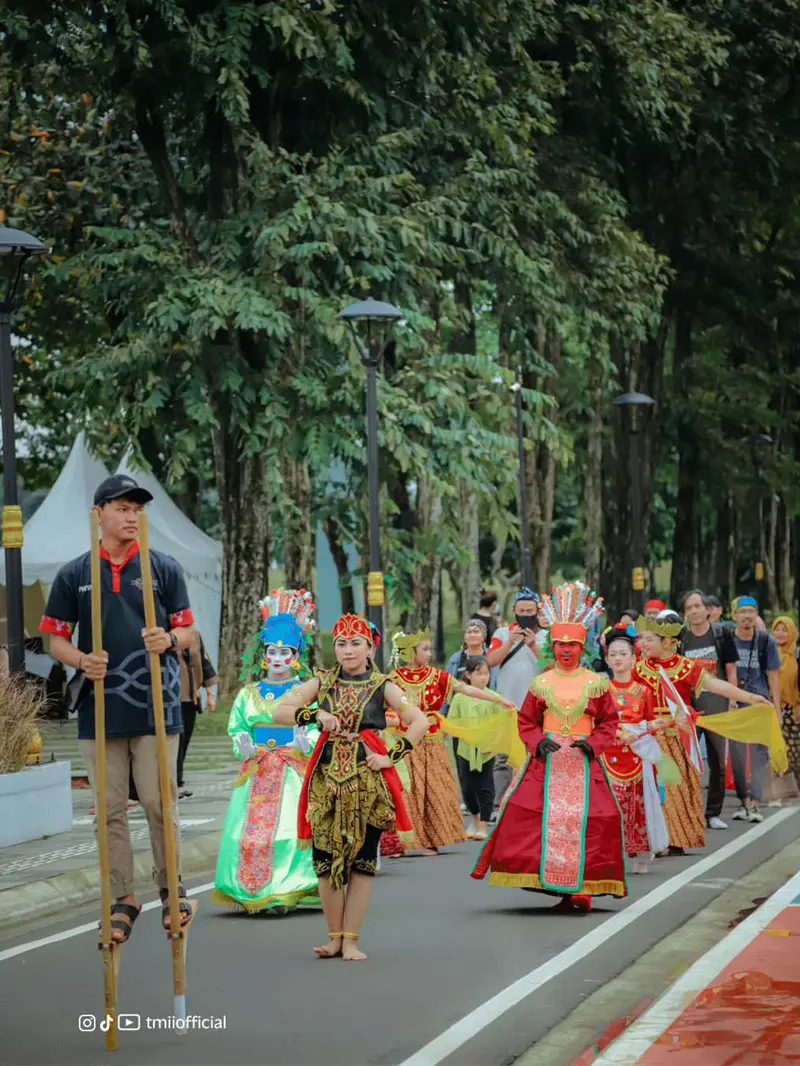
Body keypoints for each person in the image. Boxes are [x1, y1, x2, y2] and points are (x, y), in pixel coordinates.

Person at [40, 474, 197, 943]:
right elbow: (54, 638)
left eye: (137, 509)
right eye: (122, 508)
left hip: (155, 703)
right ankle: (124, 897)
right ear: (99, 514)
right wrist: (81, 659)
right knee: (108, 808)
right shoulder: (74, 574)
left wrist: (169, 638)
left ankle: (172, 888)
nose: (131, 517)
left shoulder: (163, 567)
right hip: (99, 706)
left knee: (157, 800)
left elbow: (189, 632)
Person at [273, 614, 428, 961]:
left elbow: (419, 721)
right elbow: (281, 710)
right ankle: (334, 938)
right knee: (325, 861)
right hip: (326, 782)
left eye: (355, 643)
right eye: (341, 643)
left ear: (370, 648)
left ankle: (352, 940)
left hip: (367, 783)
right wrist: (315, 716)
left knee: (362, 861)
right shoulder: (321, 682)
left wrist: (391, 756)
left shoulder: (383, 686)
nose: (347, 650)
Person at [473, 582, 626, 912]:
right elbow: (526, 721)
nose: (566, 650)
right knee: (529, 816)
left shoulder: (596, 683)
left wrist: (594, 744)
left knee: (596, 818)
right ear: (553, 646)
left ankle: (581, 888)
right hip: (548, 761)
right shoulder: (540, 683)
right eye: (560, 644)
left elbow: (609, 723)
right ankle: (555, 886)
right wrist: (537, 742)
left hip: (585, 763)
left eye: (572, 644)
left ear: (582, 647)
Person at [213, 590, 320, 915]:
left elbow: (316, 726)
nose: (276, 658)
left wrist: (307, 741)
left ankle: (287, 888)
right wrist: (242, 745)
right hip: (257, 771)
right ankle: (250, 890)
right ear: (264, 655)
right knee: (248, 833)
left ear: (296, 656)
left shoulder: (306, 690)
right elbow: (238, 728)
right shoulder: (248, 694)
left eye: (284, 652)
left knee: (289, 830)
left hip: (292, 772)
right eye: (272, 651)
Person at [634, 611, 767, 854]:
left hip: (678, 737)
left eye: (648, 639)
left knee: (677, 787)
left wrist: (750, 697)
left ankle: (676, 838)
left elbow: (715, 684)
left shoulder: (684, 667)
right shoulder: (639, 670)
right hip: (649, 738)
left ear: (666, 641)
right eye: (642, 639)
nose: (643, 644)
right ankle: (656, 838)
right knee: (654, 787)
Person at [391, 629, 515, 856]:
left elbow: (466, 689)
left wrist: (499, 699)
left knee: (434, 790)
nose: (429, 654)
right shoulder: (394, 680)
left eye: (430, 649)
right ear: (410, 652)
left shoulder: (438, 676)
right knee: (406, 790)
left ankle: (431, 840)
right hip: (406, 743)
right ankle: (401, 842)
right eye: (425, 649)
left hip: (432, 741)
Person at [602, 627, 669, 873]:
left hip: (637, 756)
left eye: (623, 654)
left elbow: (649, 721)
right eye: (613, 654)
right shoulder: (601, 691)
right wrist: (621, 733)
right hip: (608, 755)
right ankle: (610, 854)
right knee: (610, 806)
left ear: (633, 658)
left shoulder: (644, 691)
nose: (618, 658)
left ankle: (640, 853)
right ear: (607, 659)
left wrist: (656, 724)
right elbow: (598, 724)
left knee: (638, 806)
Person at [678, 589, 739, 830]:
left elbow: (731, 670)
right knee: (688, 762)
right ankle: (689, 813)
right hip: (689, 708)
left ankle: (713, 813)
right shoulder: (681, 638)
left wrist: (733, 702)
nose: (693, 611)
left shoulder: (721, 634)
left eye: (697, 606)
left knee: (718, 762)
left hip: (718, 705)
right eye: (689, 608)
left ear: (708, 610)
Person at [487, 588, 545, 807]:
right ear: (514, 611)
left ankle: (530, 802)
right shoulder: (501, 634)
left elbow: (551, 667)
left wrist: (533, 645)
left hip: (536, 705)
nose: (525, 614)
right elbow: (490, 661)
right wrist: (510, 643)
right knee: (502, 757)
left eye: (530, 611)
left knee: (534, 754)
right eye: (521, 610)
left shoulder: (546, 636)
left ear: (537, 612)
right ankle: (499, 804)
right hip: (506, 704)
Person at [730, 597, 782, 821]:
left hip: (761, 702)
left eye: (751, 611)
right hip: (736, 703)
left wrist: (777, 709)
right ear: (734, 616)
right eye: (742, 611)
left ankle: (757, 803)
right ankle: (743, 802)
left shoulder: (765, 641)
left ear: (757, 615)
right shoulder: (728, 640)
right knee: (738, 754)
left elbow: (773, 676)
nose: (747, 616)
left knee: (760, 755)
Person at [448, 655, 497, 841]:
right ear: (468, 675)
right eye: (479, 674)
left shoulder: (494, 698)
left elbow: (499, 724)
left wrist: (490, 742)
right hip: (465, 749)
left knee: (485, 786)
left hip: (486, 749)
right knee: (467, 787)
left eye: (487, 674)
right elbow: (453, 723)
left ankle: (484, 824)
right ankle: (475, 818)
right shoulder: (460, 698)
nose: (484, 678)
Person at [177, 631, 219, 798]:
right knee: (176, 742)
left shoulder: (194, 635)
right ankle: (174, 783)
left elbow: (204, 662)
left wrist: (210, 694)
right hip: (171, 698)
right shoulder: (162, 635)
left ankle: (177, 782)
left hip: (190, 697)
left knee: (184, 739)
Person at [772, 617, 800, 782]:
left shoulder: (796, 655)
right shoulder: (768, 652)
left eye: (785, 630)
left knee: (795, 748)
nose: (780, 633)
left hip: (793, 708)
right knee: (777, 747)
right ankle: (780, 786)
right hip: (773, 706)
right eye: (777, 629)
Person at [445, 619, 498, 686]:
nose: (472, 635)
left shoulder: (492, 656)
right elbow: (447, 684)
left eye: (476, 632)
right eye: (469, 632)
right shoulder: (455, 659)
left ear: (484, 636)